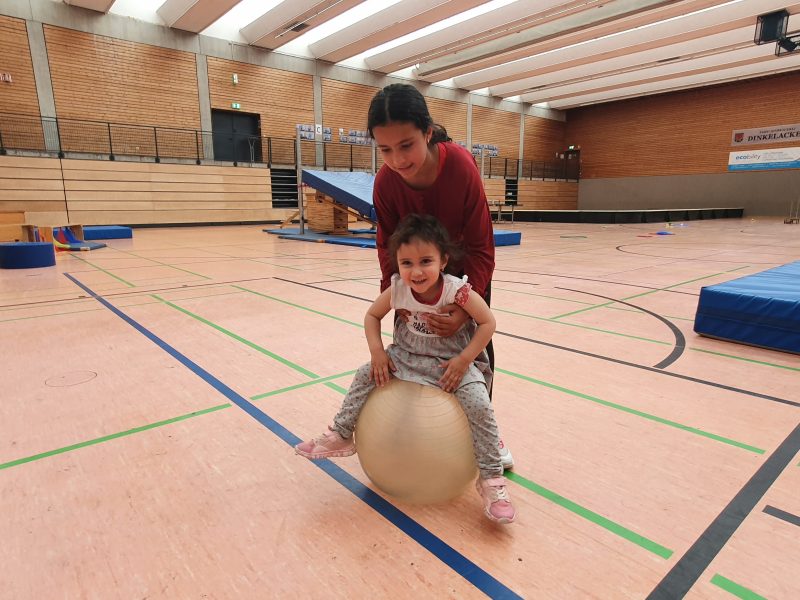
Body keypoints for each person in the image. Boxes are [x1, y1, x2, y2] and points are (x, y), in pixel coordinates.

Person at [296, 214, 515, 524]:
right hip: (407, 357)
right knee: (364, 374)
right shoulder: (398, 289)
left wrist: (465, 360)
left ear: (443, 261)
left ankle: (491, 480)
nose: (416, 271)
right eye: (407, 263)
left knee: (479, 403)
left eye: (425, 261)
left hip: (450, 364)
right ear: (397, 265)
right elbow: (372, 316)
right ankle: (341, 434)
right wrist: (377, 353)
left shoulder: (458, 291)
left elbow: (488, 322)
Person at [367, 83, 514, 469]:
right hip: (413, 273)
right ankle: (413, 427)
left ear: (428, 133)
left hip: (465, 269)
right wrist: (397, 299)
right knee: (412, 348)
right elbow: (387, 250)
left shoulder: (461, 167)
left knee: (474, 349)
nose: (397, 159)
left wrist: (465, 308)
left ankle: (487, 432)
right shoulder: (384, 182)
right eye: (384, 150)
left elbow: (483, 246)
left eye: (406, 145)